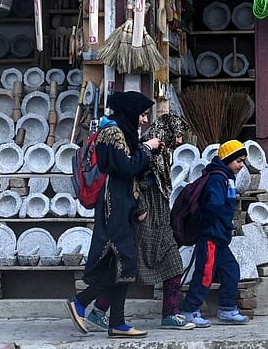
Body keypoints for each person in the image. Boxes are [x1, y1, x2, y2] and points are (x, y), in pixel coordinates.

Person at [85, 113, 197, 331]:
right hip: (145, 218)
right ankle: (96, 310)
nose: (180, 141)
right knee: (128, 268)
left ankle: (170, 314)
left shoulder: (162, 153)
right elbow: (135, 181)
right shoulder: (148, 151)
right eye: (179, 135)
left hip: (160, 218)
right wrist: (142, 209)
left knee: (173, 262)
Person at [64, 91, 160, 338]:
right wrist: (147, 149)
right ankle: (81, 302)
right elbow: (126, 167)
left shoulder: (123, 131)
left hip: (123, 203)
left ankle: (116, 322)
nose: (145, 120)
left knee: (122, 263)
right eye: (142, 114)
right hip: (113, 204)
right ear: (130, 112)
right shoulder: (112, 133)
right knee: (121, 260)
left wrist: (137, 207)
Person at [180, 139, 250, 326]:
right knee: (205, 273)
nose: (241, 165)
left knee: (231, 270)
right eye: (238, 161)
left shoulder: (226, 177)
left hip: (220, 238)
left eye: (243, 161)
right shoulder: (218, 178)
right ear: (228, 159)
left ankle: (227, 309)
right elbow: (214, 206)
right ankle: (190, 310)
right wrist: (216, 226)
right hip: (212, 236)